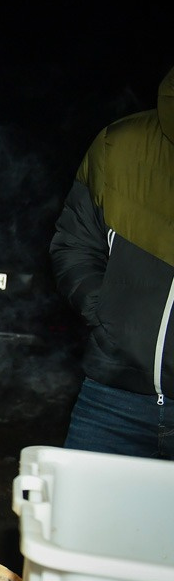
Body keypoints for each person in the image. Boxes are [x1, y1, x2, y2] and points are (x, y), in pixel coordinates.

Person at [50, 64, 174, 459]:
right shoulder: (119, 145)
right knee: (84, 521)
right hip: (111, 403)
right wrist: (105, 313)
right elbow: (74, 243)